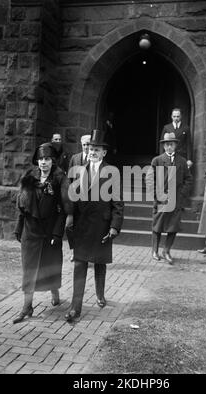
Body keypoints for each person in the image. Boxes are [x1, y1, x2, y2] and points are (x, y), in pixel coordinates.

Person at [65, 129, 124, 323]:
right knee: (80, 264)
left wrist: (114, 227)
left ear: (104, 153)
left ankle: (100, 294)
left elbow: (118, 203)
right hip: (82, 226)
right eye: (91, 148)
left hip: (102, 225)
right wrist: (70, 216)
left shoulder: (112, 172)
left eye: (97, 149)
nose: (92, 152)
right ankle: (75, 307)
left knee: (100, 262)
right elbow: (72, 196)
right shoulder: (79, 170)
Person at [13, 142, 69, 324]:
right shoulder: (29, 177)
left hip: (49, 232)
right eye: (41, 159)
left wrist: (57, 234)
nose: (43, 163)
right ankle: (27, 307)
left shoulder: (60, 178)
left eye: (47, 159)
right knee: (29, 270)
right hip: (30, 231)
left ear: (52, 161)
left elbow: (63, 209)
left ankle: (54, 291)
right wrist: (18, 227)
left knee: (50, 266)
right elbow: (22, 206)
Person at [146, 132, 192, 264]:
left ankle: (166, 251)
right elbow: (149, 179)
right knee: (157, 226)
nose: (169, 147)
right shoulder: (157, 160)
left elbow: (188, 180)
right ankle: (154, 251)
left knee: (173, 227)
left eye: (171, 144)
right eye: (167, 145)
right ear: (163, 146)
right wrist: (156, 195)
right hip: (161, 199)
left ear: (176, 145)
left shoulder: (182, 161)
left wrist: (181, 194)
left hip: (176, 200)